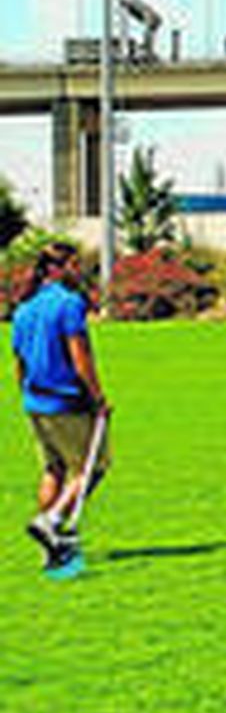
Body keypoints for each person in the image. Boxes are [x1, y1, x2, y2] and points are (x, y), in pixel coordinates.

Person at [11, 242, 111, 566]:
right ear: (57, 268)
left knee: (54, 469)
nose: (78, 270)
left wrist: (25, 393)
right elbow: (80, 356)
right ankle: (50, 522)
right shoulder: (69, 304)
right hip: (66, 400)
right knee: (92, 468)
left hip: (35, 401)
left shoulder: (24, 307)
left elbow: (19, 359)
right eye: (73, 264)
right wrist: (98, 398)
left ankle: (49, 547)